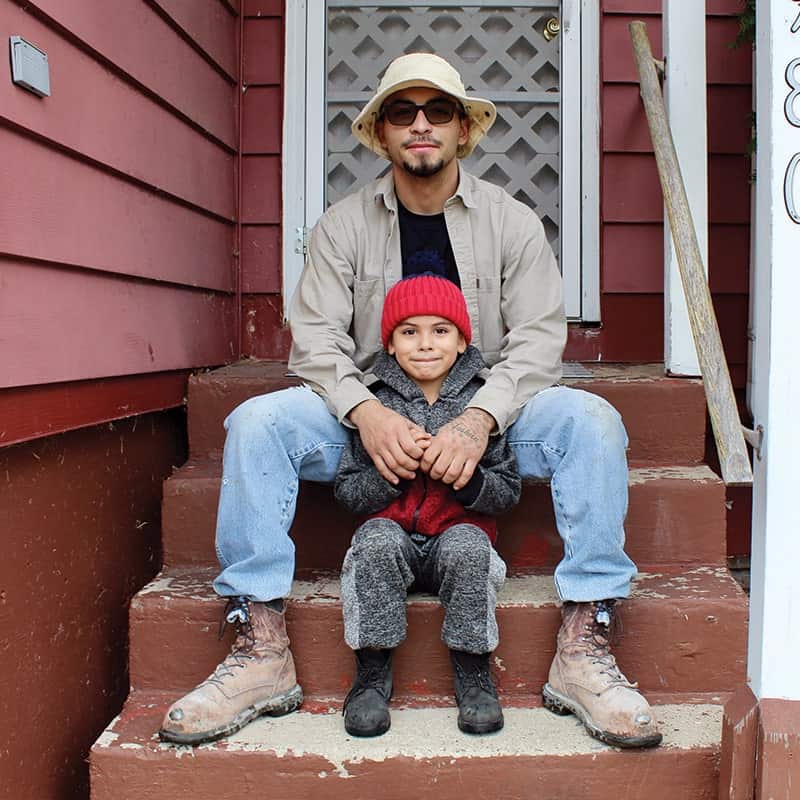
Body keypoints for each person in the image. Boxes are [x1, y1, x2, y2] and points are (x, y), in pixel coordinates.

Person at [159, 52, 662, 750]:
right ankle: (260, 648)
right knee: (256, 423)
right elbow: (316, 342)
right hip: (370, 421)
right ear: (382, 133)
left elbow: (541, 339)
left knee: (593, 421)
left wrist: (481, 417)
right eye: (403, 111)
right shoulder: (343, 225)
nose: (421, 124)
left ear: (463, 129)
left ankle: (585, 643)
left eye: (438, 111)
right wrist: (365, 414)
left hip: (486, 417)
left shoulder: (510, 223)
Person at [335, 274, 521, 737]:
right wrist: (389, 475)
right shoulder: (374, 405)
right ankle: (372, 671)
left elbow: (507, 490)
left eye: (440, 331)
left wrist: (466, 479)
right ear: (391, 346)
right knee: (372, 542)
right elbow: (346, 490)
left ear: (461, 342)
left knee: (470, 547)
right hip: (393, 539)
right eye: (409, 332)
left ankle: (473, 670)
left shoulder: (482, 403)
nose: (424, 344)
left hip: (454, 539)